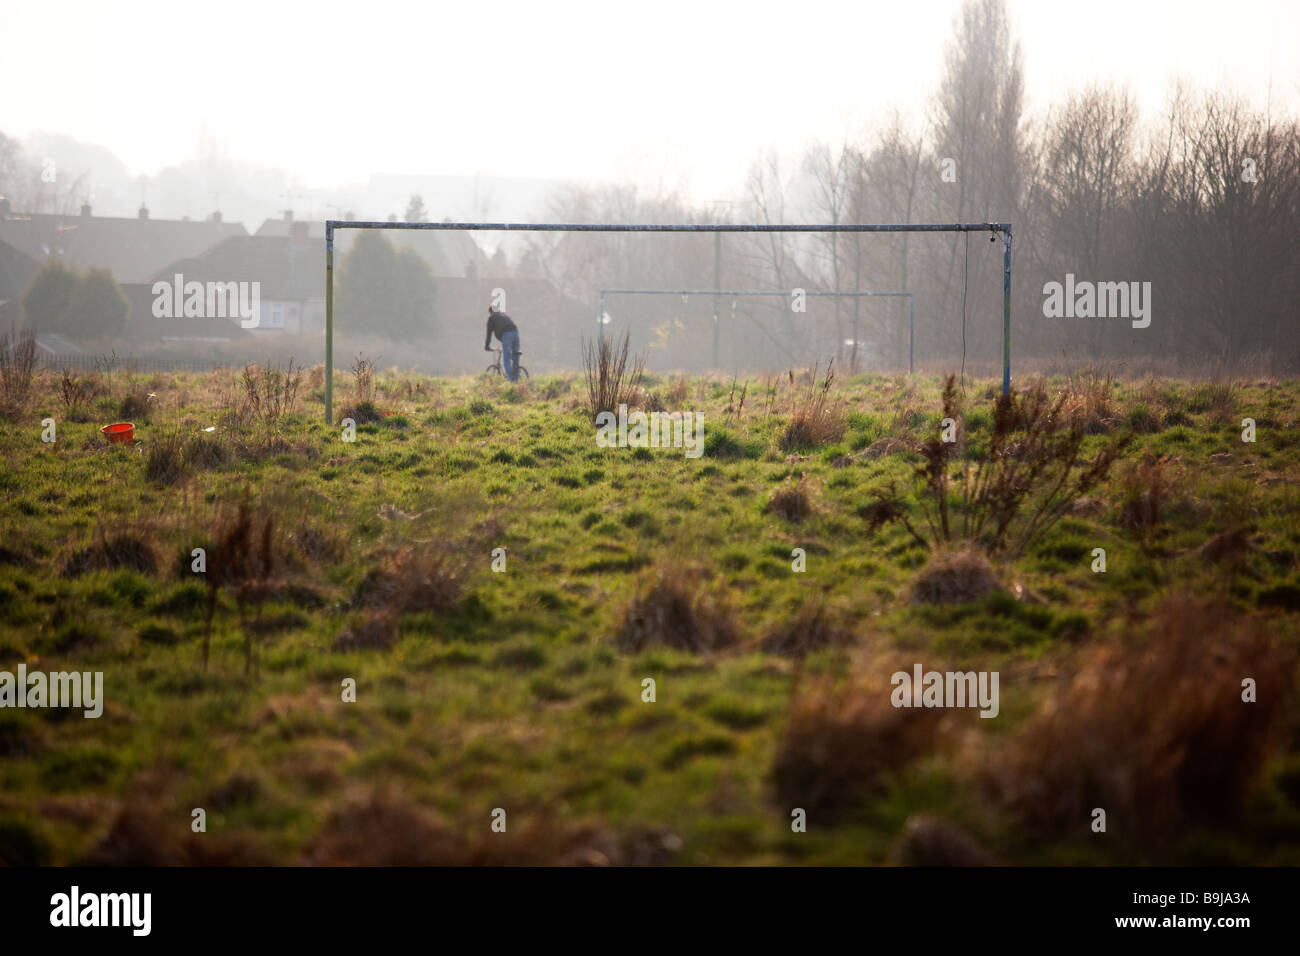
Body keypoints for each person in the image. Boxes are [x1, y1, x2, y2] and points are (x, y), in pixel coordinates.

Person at [484, 305, 521, 382]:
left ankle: (511, 381)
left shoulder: (492, 318)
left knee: (506, 359)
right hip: (516, 333)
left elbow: (489, 333)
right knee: (515, 356)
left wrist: (487, 346)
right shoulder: (504, 315)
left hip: (507, 335)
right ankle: (516, 380)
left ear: (490, 312)